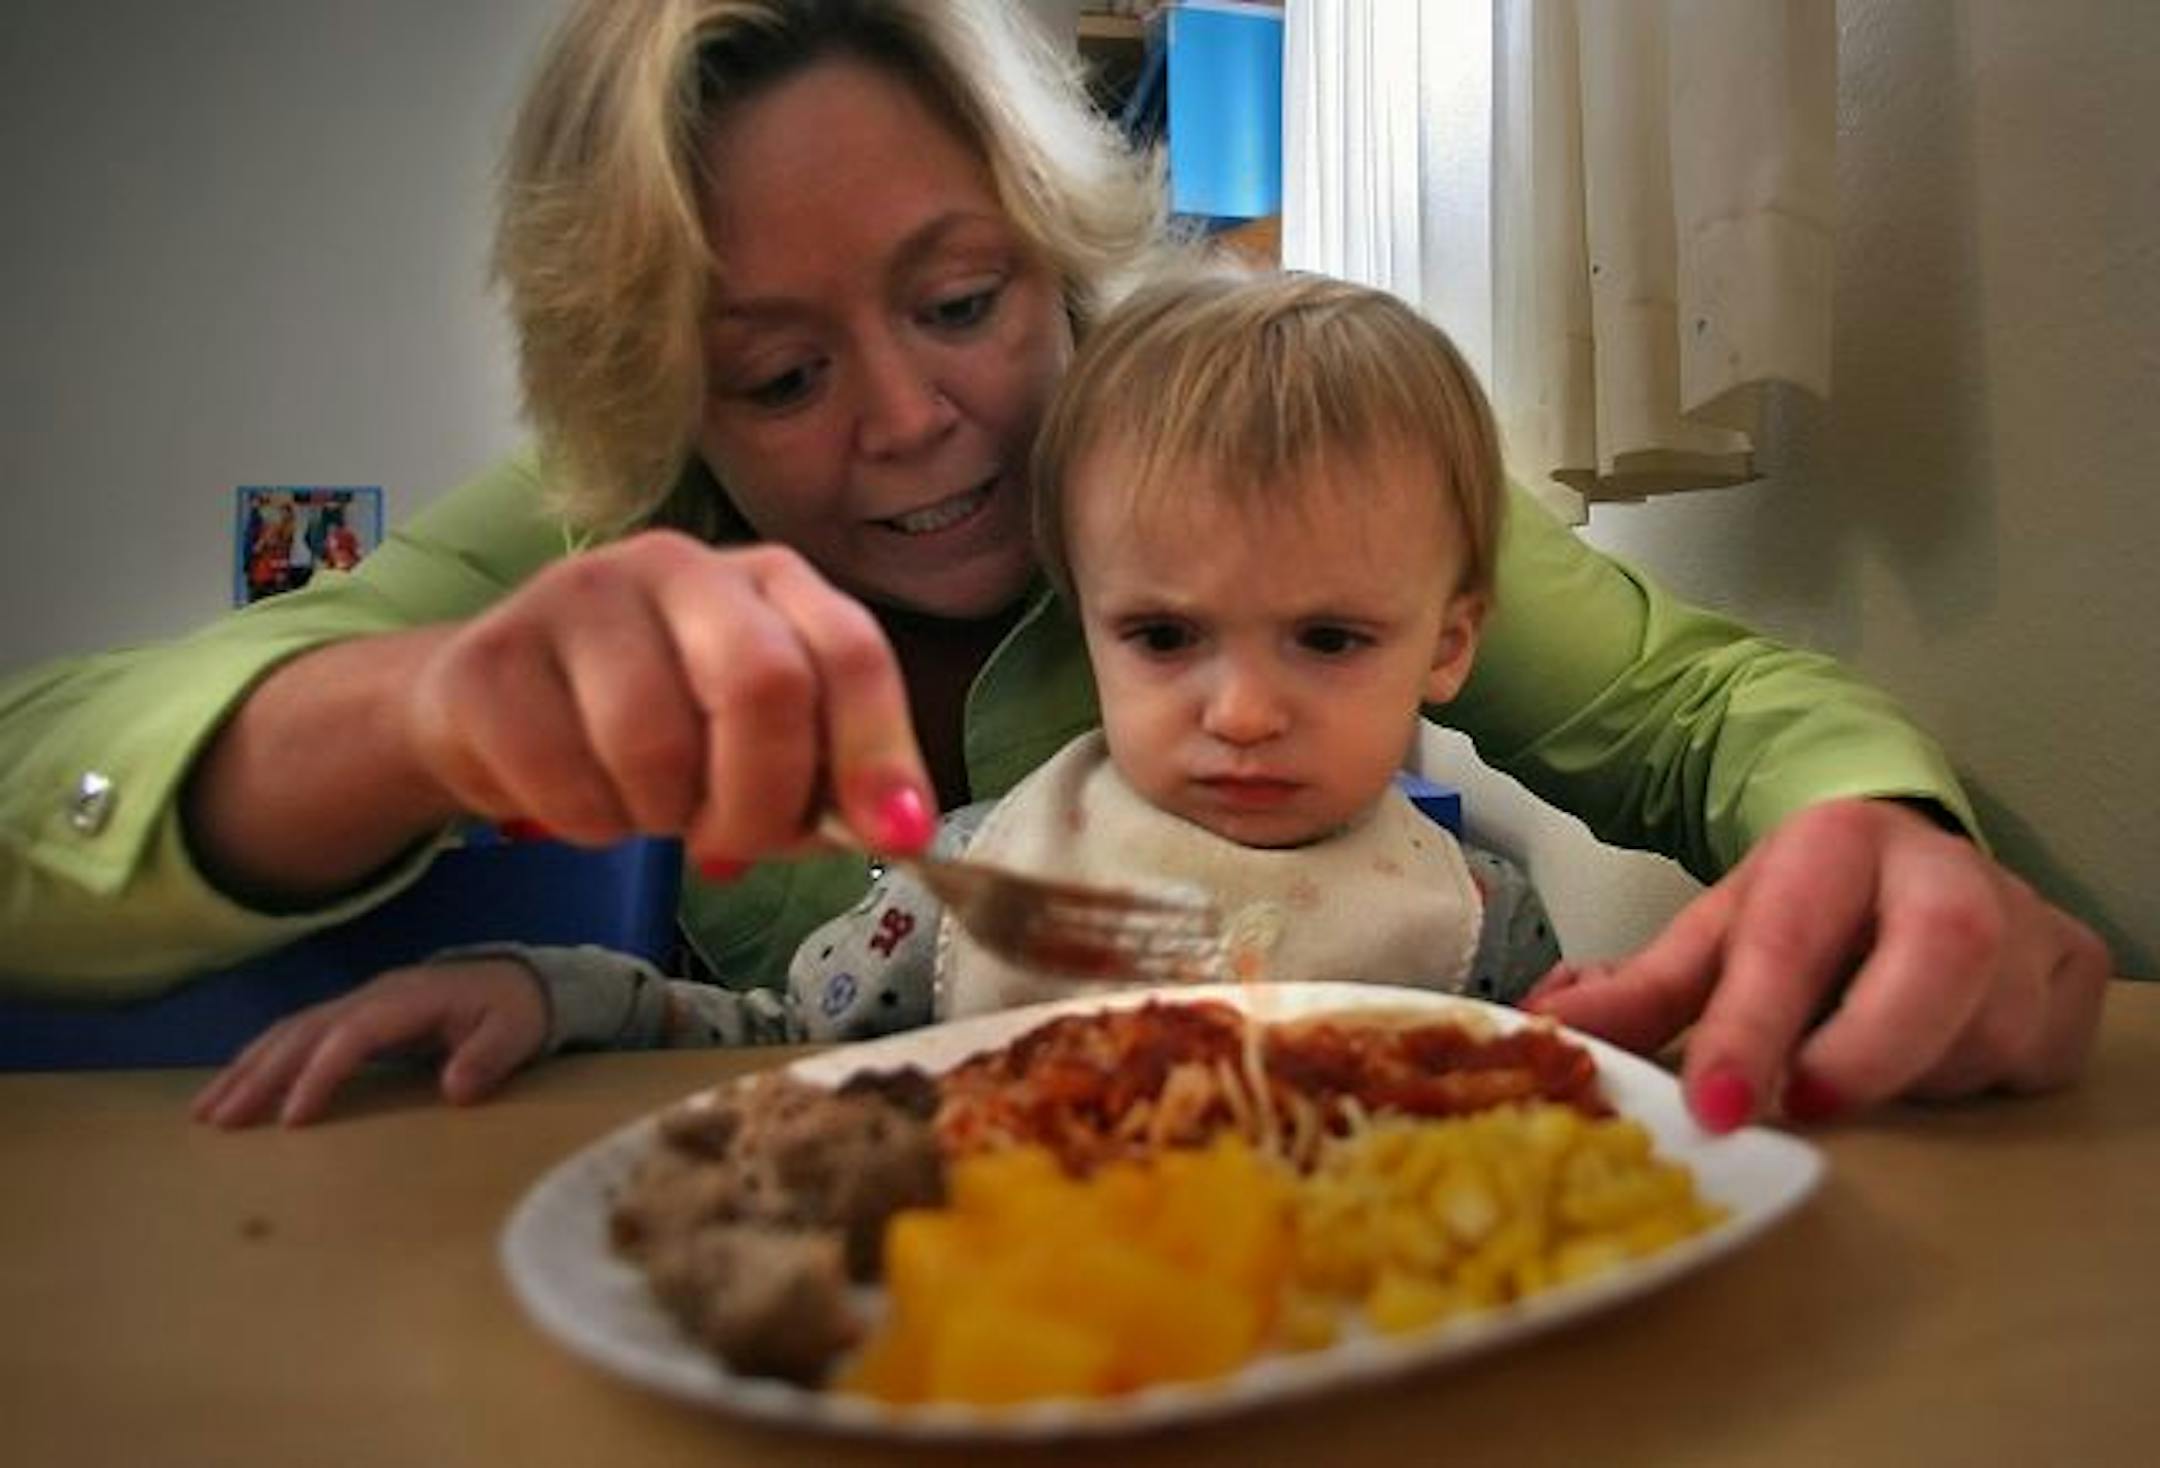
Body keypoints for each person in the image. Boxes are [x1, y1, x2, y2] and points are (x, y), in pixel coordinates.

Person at [3, 0, 2107, 1135]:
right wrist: (406, 710)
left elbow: (1706, 708)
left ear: (1053, 239)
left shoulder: (1246, 451)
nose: (912, 424)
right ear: (667, 388)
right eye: (782, 369)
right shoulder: (610, 508)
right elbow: (45, 788)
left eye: (960, 299)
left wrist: (1885, 847)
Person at [191, 268, 1564, 1126]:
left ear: (1445, 649)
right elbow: (777, 1048)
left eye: (1327, 639)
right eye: (1162, 635)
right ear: (1080, 619)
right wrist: (552, 998)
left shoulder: (1482, 922)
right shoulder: (966, 881)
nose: (1243, 710)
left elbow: (1556, 1113)